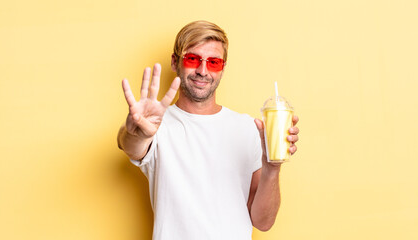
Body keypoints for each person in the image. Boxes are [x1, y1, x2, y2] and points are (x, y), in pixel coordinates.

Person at [117, 20, 300, 240]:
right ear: (175, 62)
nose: (203, 71)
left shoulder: (247, 128)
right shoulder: (156, 125)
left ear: (222, 68)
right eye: (193, 59)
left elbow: (263, 222)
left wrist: (272, 167)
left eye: (213, 62)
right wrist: (137, 133)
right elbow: (130, 145)